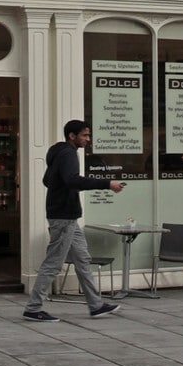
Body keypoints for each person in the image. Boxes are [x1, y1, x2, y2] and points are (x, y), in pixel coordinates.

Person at [23, 120, 125, 321]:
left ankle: (96, 305)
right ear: (72, 136)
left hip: (68, 216)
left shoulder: (59, 153)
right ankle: (33, 308)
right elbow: (72, 180)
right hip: (63, 217)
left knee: (83, 259)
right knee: (53, 263)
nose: (88, 139)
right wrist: (107, 183)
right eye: (85, 135)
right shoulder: (68, 154)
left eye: (88, 135)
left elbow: (47, 180)